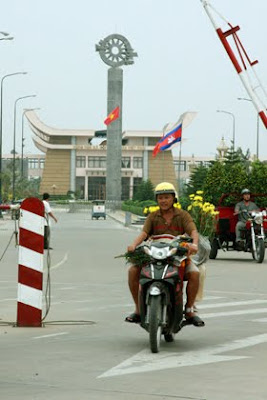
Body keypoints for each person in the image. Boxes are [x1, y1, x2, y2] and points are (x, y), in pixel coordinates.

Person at [125, 182, 205, 327]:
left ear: (174, 199)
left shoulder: (183, 215)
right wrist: (133, 245)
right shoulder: (153, 216)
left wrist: (194, 244)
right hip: (154, 253)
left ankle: (189, 309)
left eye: (166, 197)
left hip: (176, 254)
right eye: (160, 198)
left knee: (195, 273)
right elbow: (144, 233)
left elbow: (193, 231)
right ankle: (138, 309)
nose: (163, 201)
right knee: (132, 271)